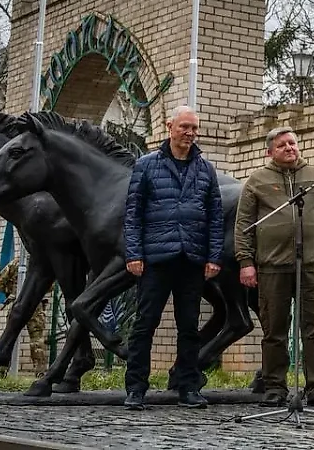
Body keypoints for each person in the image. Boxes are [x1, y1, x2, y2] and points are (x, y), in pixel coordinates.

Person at [122, 104, 224, 410]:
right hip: (155, 259)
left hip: (191, 259)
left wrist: (214, 256)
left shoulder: (206, 169)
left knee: (189, 327)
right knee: (145, 325)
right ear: (170, 127)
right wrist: (134, 253)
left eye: (194, 128)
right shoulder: (146, 165)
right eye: (185, 127)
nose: (190, 134)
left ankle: (188, 386)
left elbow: (215, 217)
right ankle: (136, 388)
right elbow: (133, 214)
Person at [234, 127, 314, 408]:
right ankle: (275, 387)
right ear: (270, 151)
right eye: (282, 145)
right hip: (272, 266)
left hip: (312, 266)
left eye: (293, 143)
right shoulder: (257, 180)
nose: (290, 148)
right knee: (274, 330)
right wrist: (246, 262)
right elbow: (243, 224)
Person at [0, 259, 48, 372]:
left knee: (9, 337)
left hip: (17, 302)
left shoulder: (16, 263)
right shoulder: (44, 262)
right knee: (37, 339)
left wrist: (11, 293)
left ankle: (1, 368)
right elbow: (50, 285)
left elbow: (0, 280)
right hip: (35, 304)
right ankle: (40, 371)